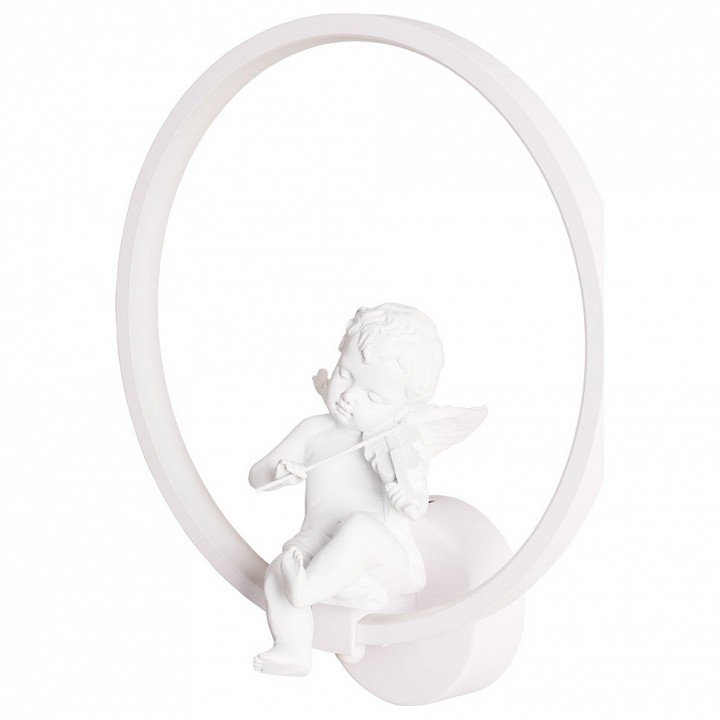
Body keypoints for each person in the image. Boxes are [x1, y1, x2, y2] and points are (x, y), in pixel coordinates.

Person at [249, 303, 444, 676]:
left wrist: (407, 498)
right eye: (344, 374)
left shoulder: (397, 444)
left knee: (359, 527)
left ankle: (308, 591)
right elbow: (257, 476)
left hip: (382, 558)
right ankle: (292, 649)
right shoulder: (314, 431)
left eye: (374, 397)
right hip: (319, 548)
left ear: (405, 408)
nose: (349, 396)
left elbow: (417, 505)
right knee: (278, 571)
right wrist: (279, 472)